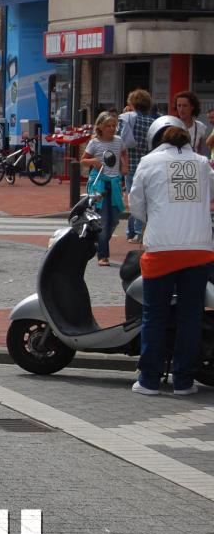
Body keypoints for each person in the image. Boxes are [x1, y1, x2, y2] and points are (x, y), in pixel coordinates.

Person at [128, 115, 214, 396]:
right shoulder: (203, 163)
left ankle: (149, 380)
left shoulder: (148, 162)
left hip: (162, 248)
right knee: (191, 316)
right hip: (199, 249)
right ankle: (184, 382)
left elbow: (136, 205)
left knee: (155, 315)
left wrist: (154, 220)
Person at [80, 112, 128, 266]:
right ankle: (103, 255)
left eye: (114, 126)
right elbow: (83, 160)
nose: (112, 128)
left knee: (114, 219)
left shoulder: (118, 141)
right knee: (104, 220)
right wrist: (93, 161)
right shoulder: (94, 143)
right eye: (108, 126)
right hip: (99, 183)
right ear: (100, 127)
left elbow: (124, 153)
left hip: (114, 183)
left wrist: (125, 165)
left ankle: (98, 241)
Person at [118, 89, 157, 243]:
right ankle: (134, 230)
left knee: (133, 199)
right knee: (145, 199)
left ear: (132, 103)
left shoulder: (127, 118)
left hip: (131, 163)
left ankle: (136, 231)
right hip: (148, 164)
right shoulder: (153, 122)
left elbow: (118, 140)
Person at [173, 91, 208, 157]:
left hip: (193, 161)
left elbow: (200, 151)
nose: (181, 109)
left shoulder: (200, 126)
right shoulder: (172, 125)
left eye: (185, 106)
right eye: (179, 105)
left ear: (192, 107)